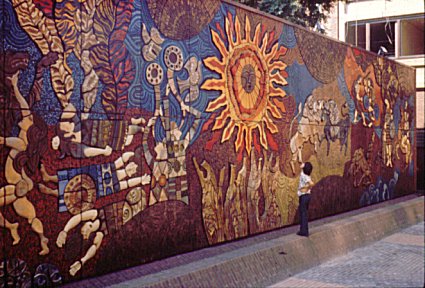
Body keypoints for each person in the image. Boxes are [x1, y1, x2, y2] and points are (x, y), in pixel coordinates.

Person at [297, 162, 314, 237]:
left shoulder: (304, 176)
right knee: (304, 213)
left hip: (304, 196)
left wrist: (305, 188)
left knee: (303, 214)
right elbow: (302, 166)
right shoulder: (305, 174)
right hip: (307, 196)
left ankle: (304, 231)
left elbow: (311, 183)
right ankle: (304, 230)